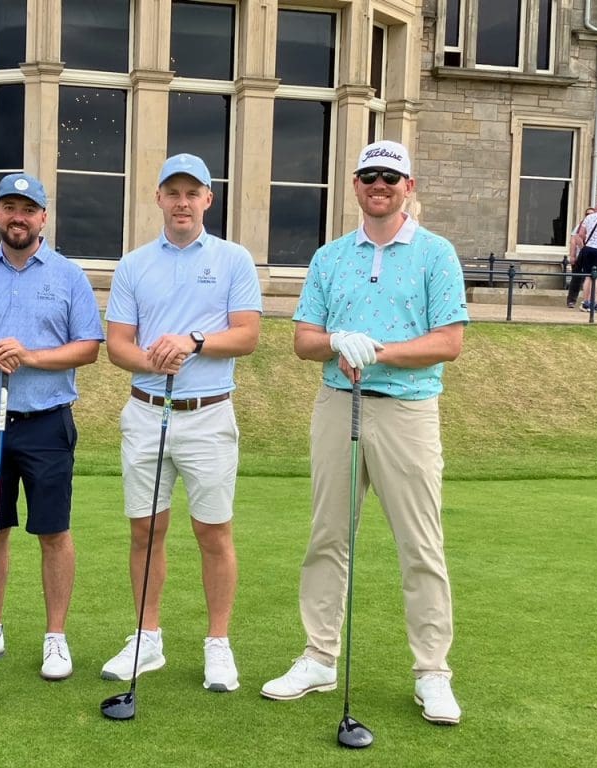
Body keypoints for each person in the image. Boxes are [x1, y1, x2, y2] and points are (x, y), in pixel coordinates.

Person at [261, 140, 468, 726]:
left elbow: (449, 341)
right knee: (327, 536)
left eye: (391, 177)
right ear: (354, 185)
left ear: (410, 185)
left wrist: (379, 351)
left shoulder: (436, 254)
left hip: (407, 411)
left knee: (420, 545)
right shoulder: (331, 257)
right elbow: (304, 339)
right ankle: (319, 657)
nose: (380, 184)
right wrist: (334, 343)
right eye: (369, 175)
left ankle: (432, 673)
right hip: (337, 405)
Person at [101, 153, 262, 692]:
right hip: (146, 412)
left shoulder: (234, 259)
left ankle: (218, 644)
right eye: (173, 193)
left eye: (192, 193)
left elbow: (247, 335)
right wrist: (154, 358)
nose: (182, 203)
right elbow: (117, 346)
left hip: (208, 414)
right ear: (159, 198)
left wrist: (192, 341)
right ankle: (147, 639)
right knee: (146, 529)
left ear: (208, 200)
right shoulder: (134, 264)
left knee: (213, 532)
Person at [0, 172, 103, 680]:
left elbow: (88, 347)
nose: (18, 217)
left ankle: (55, 637)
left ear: (43, 218)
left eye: (28, 209)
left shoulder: (68, 276)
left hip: (48, 421)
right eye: (9, 207)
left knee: (53, 531)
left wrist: (30, 356)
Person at [565, 208, 596, 308]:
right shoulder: (580, 225)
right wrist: (572, 255)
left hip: (592, 256)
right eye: (587, 214)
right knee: (576, 278)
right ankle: (571, 301)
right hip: (580, 255)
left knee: (592, 278)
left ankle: (589, 302)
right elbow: (574, 240)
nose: (589, 216)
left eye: (591, 214)